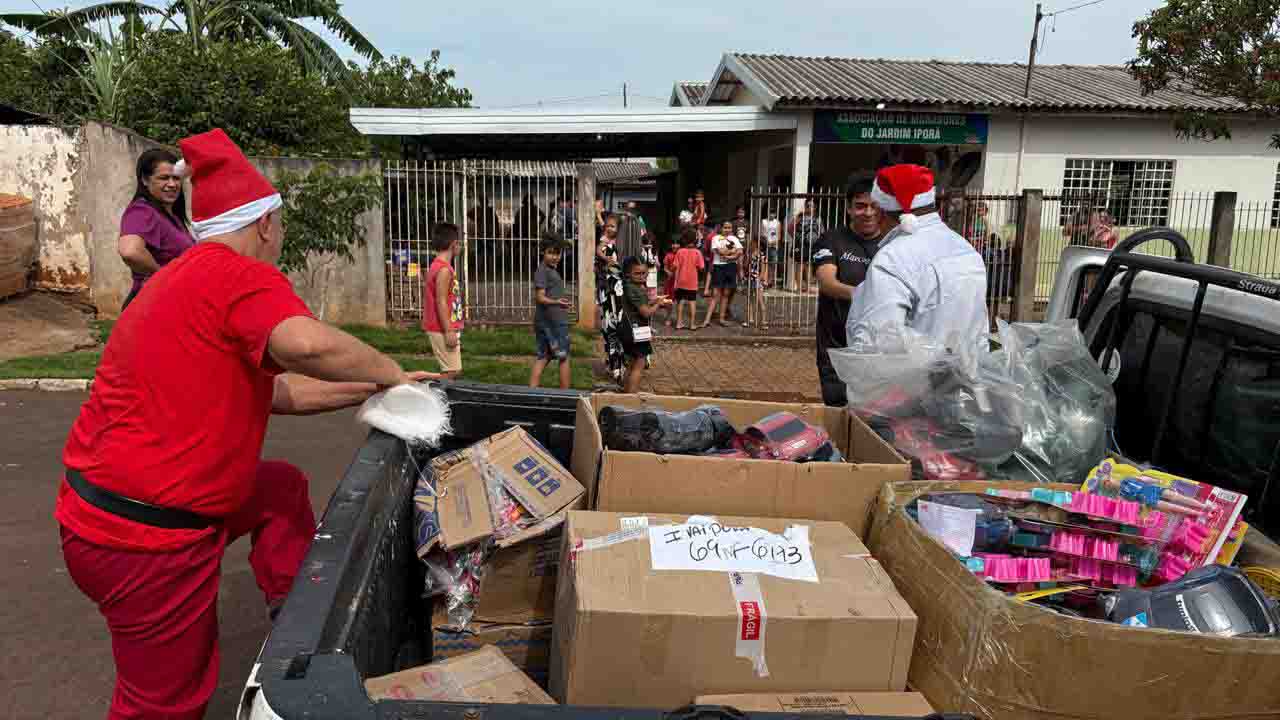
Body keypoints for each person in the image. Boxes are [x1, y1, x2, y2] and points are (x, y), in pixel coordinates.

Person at [57, 128, 438, 720]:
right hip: (145, 540)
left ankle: (295, 627)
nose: (279, 239)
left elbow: (280, 390)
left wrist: (373, 386)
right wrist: (392, 368)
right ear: (265, 224)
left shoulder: (187, 276)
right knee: (164, 703)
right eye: (279, 227)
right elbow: (306, 344)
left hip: (108, 513)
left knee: (278, 487)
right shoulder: (238, 276)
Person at [845, 164, 990, 357]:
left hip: (913, 383)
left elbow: (878, 343)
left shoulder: (892, 259)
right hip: (969, 378)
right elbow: (979, 329)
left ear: (883, 212)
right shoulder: (965, 249)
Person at [812, 175, 887, 406]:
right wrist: (867, 296)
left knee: (873, 422)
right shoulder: (831, 239)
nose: (868, 213)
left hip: (881, 352)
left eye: (874, 206)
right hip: (837, 351)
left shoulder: (893, 244)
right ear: (848, 208)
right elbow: (827, 282)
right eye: (860, 206)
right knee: (838, 416)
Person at [117, 148, 196, 309]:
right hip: (151, 304)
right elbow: (130, 251)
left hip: (169, 302)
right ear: (145, 180)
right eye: (164, 178)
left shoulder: (171, 215)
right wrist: (163, 275)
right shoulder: (142, 211)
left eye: (176, 178)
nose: (172, 184)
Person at [620, 255, 671, 392]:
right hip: (636, 333)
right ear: (627, 274)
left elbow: (639, 305)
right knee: (639, 365)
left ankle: (625, 395)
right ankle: (631, 397)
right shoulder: (636, 289)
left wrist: (655, 300)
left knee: (631, 364)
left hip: (627, 329)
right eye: (637, 273)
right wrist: (659, 304)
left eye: (644, 273)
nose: (642, 276)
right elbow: (646, 312)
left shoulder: (629, 286)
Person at [530, 233, 573, 389]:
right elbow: (540, 297)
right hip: (552, 323)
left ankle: (532, 391)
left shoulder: (548, 270)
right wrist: (557, 302)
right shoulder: (543, 271)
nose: (555, 257)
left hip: (547, 321)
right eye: (551, 252)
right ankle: (565, 395)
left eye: (557, 253)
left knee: (544, 356)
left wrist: (560, 302)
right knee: (564, 357)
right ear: (543, 252)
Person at [422, 223, 464, 379]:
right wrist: (449, 330)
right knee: (452, 372)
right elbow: (441, 301)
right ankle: (422, 384)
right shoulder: (444, 270)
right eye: (459, 242)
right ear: (454, 245)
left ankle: (439, 397)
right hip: (441, 328)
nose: (460, 246)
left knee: (452, 370)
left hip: (441, 326)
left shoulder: (437, 266)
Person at [596, 215, 626, 384]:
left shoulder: (622, 246)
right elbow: (598, 250)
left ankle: (618, 362)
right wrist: (604, 258)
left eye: (613, 226)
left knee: (617, 326)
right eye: (607, 225)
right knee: (609, 326)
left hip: (619, 292)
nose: (609, 228)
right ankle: (614, 361)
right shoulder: (606, 243)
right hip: (608, 291)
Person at [699, 220, 742, 328]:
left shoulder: (735, 239)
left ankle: (721, 318)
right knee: (715, 294)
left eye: (729, 228)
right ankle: (707, 320)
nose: (727, 230)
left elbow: (740, 251)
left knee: (726, 294)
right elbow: (719, 251)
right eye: (725, 227)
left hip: (730, 267)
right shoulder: (715, 238)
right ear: (721, 228)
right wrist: (732, 253)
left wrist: (729, 256)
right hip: (719, 267)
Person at [670, 226, 704, 330]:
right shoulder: (697, 252)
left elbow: (674, 266)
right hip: (692, 282)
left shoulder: (680, 252)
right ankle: (692, 324)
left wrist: (670, 270)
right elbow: (701, 267)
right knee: (692, 302)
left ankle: (679, 323)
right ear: (695, 240)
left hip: (680, 281)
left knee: (680, 301)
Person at [788, 199, 824, 294]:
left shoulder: (817, 219)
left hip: (812, 245)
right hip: (800, 245)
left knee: (809, 267)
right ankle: (799, 288)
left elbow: (822, 232)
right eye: (807, 205)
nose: (809, 208)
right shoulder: (800, 217)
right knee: (800, 266)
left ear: (815, 207)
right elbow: (790, 228)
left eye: (811, 206)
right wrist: (797, 238)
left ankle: (808, 288)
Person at [744, 232, 768, 329]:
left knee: (760, 300)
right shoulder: (751, 254)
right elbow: (746, 265)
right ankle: (750, 319)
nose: (751, 243)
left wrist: (762, 280)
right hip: (750, 278)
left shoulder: (762, 256)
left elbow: (763, 269)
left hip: (757, 279)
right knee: (749, 299)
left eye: (753, 242)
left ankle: (763, 321)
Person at [760, 209, 781, 288]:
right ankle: (764, 280)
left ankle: (770, 280)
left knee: (773, 263)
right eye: (770, 213)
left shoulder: (777, 222)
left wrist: (773, 243)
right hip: (765, 245)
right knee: (764, 263)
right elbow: (762, 234)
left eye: (773, 213)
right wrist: (766, 242)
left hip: (774, 246)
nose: (772, 214)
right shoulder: (764, 221)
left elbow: (779, 235)